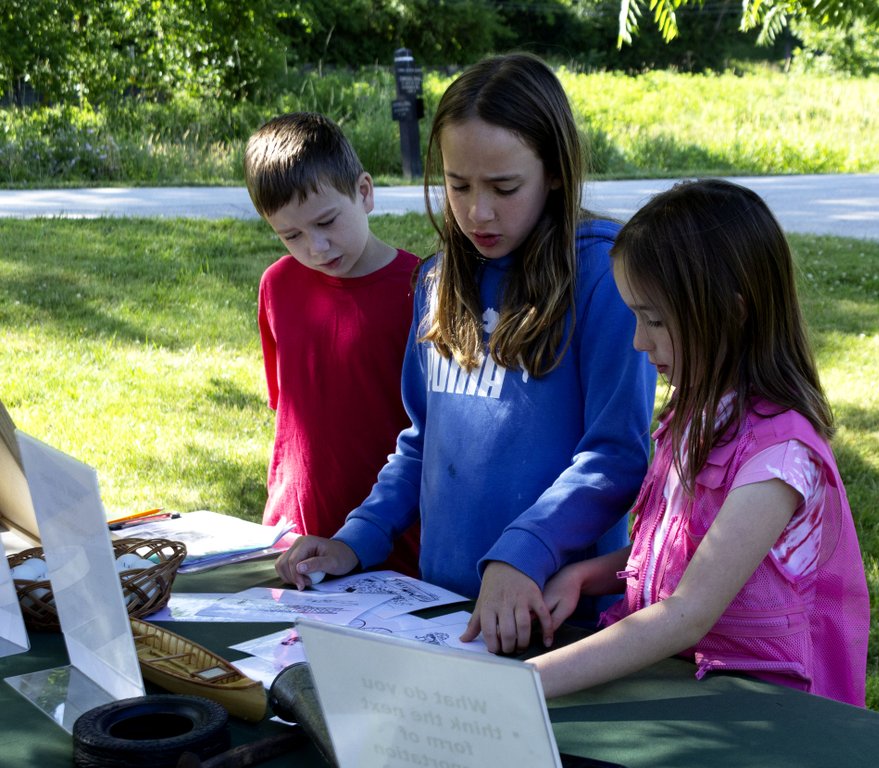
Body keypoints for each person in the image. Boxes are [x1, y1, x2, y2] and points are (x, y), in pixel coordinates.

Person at [274, 54, 658, 654]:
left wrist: (522, 554)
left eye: (505, 187)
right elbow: (423, 442)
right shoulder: (436, 280)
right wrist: (358, 537)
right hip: (440, 612)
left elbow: (616, 455)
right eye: (458, 185)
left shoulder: (603, 276)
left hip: (558, 619)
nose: (478, 211)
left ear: (554, 172)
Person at [527, 179, 871, 706]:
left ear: (732, 313)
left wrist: (523, 684)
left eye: (656, 320)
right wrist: (590, 574)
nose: (640, 341)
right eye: (636, 318)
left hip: (773, 715)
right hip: (684, 687)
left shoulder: (779, 460)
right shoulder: (699, 411)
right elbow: (691, 549)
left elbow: (688, 613)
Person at [245, 111, 422, 576]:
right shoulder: (277, 286)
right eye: (291, 235)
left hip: (390, 549)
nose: (316, 247)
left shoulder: (425, 290)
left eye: (326, 221)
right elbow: (290, 414)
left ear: (364, 192)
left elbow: (435, 439)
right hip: (291, 538)